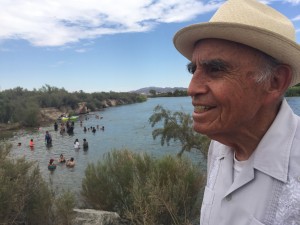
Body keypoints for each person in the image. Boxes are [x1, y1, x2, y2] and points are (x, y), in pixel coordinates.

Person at [173, 0, 300, 224]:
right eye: (194, 70)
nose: (192, 88)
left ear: (275, 81)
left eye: (215, 69)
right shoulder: (218, 146)